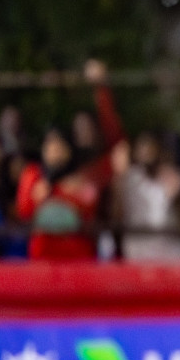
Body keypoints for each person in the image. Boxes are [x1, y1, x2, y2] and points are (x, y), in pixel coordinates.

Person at [14, 60, 124, 261]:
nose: (54, 150)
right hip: (43, 265)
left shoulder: (88, 176)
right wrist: (43, 191)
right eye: (49, 145)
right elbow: (24, 213)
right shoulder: (33, 174)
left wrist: (101, 88)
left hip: (80, 268)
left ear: (70, 149)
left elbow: (117, 145)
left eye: (60, 145)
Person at [114, 131, 180, 262]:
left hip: (169, 248)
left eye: (150, 147)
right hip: (139, 248)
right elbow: (117, 207)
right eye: (142, 147)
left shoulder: (170, 175)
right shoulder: (130, 177)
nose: (146, 151)